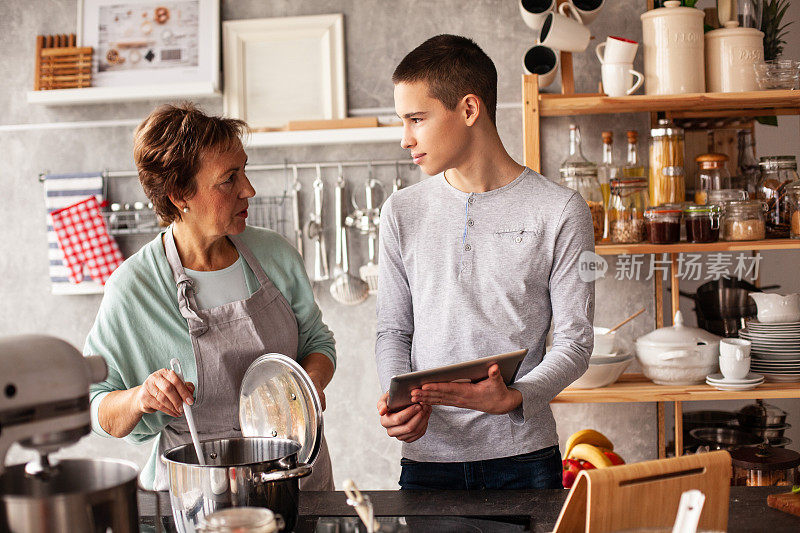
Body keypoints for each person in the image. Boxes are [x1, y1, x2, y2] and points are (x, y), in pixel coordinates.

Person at [375, 35, 595, 490]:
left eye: (417, 119)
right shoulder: (400, 211)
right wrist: (401, 404)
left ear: (469, 110)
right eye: (403, 121)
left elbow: (575, 342)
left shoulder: (560, 210)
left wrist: (516, 396)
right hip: (427, 464)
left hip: (525, 462)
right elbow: (393, 331)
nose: (405, 138)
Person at [85, 103, 336, 491]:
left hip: (291, 477)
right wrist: (139, 398)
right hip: (196, 492)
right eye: (229, 179)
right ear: (179, 194)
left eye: (245, 170)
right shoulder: (133, 287)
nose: (248, 189)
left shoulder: (275, 254)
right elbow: (96, 406)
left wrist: (304, 390)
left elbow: (318, 344)